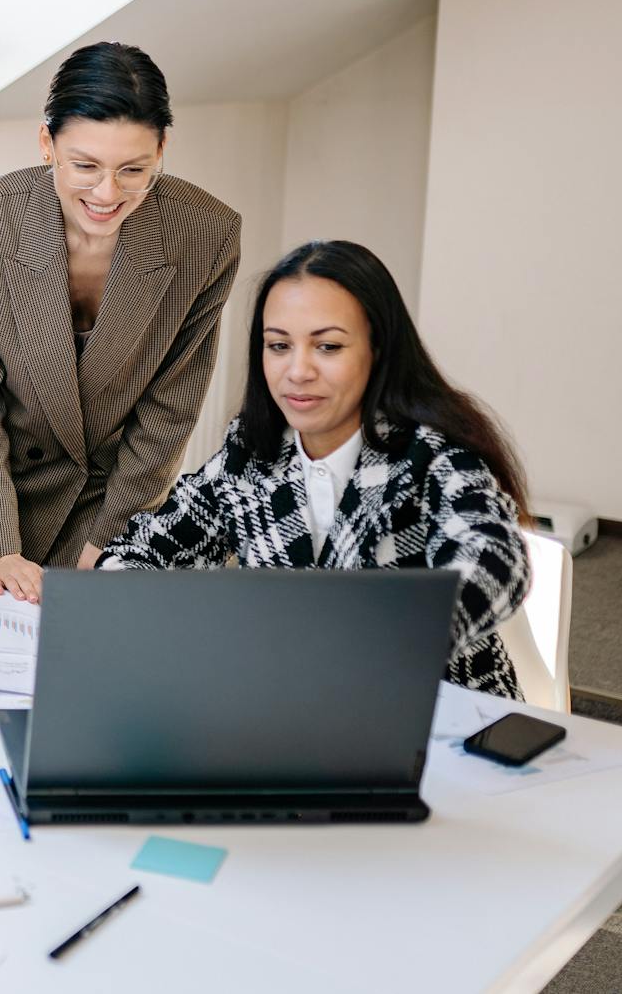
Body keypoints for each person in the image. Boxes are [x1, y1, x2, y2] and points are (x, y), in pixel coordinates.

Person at [97, 239, 532, 697]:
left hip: (440, 715)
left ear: (377, 349)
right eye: (279, 345)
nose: (298, 371)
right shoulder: (251, 451)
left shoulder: (433, 452)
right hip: (293, 713)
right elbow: (142, 550)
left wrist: (396, 635)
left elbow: (495, 558)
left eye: (327, 346)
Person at [0, 41, 242, 602]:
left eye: (133, 169)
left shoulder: (206, 236)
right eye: (85, 166)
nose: (107, 194)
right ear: (47, 143)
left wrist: (112, 539)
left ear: (162, 148)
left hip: (109, 487)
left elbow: (171, 408)